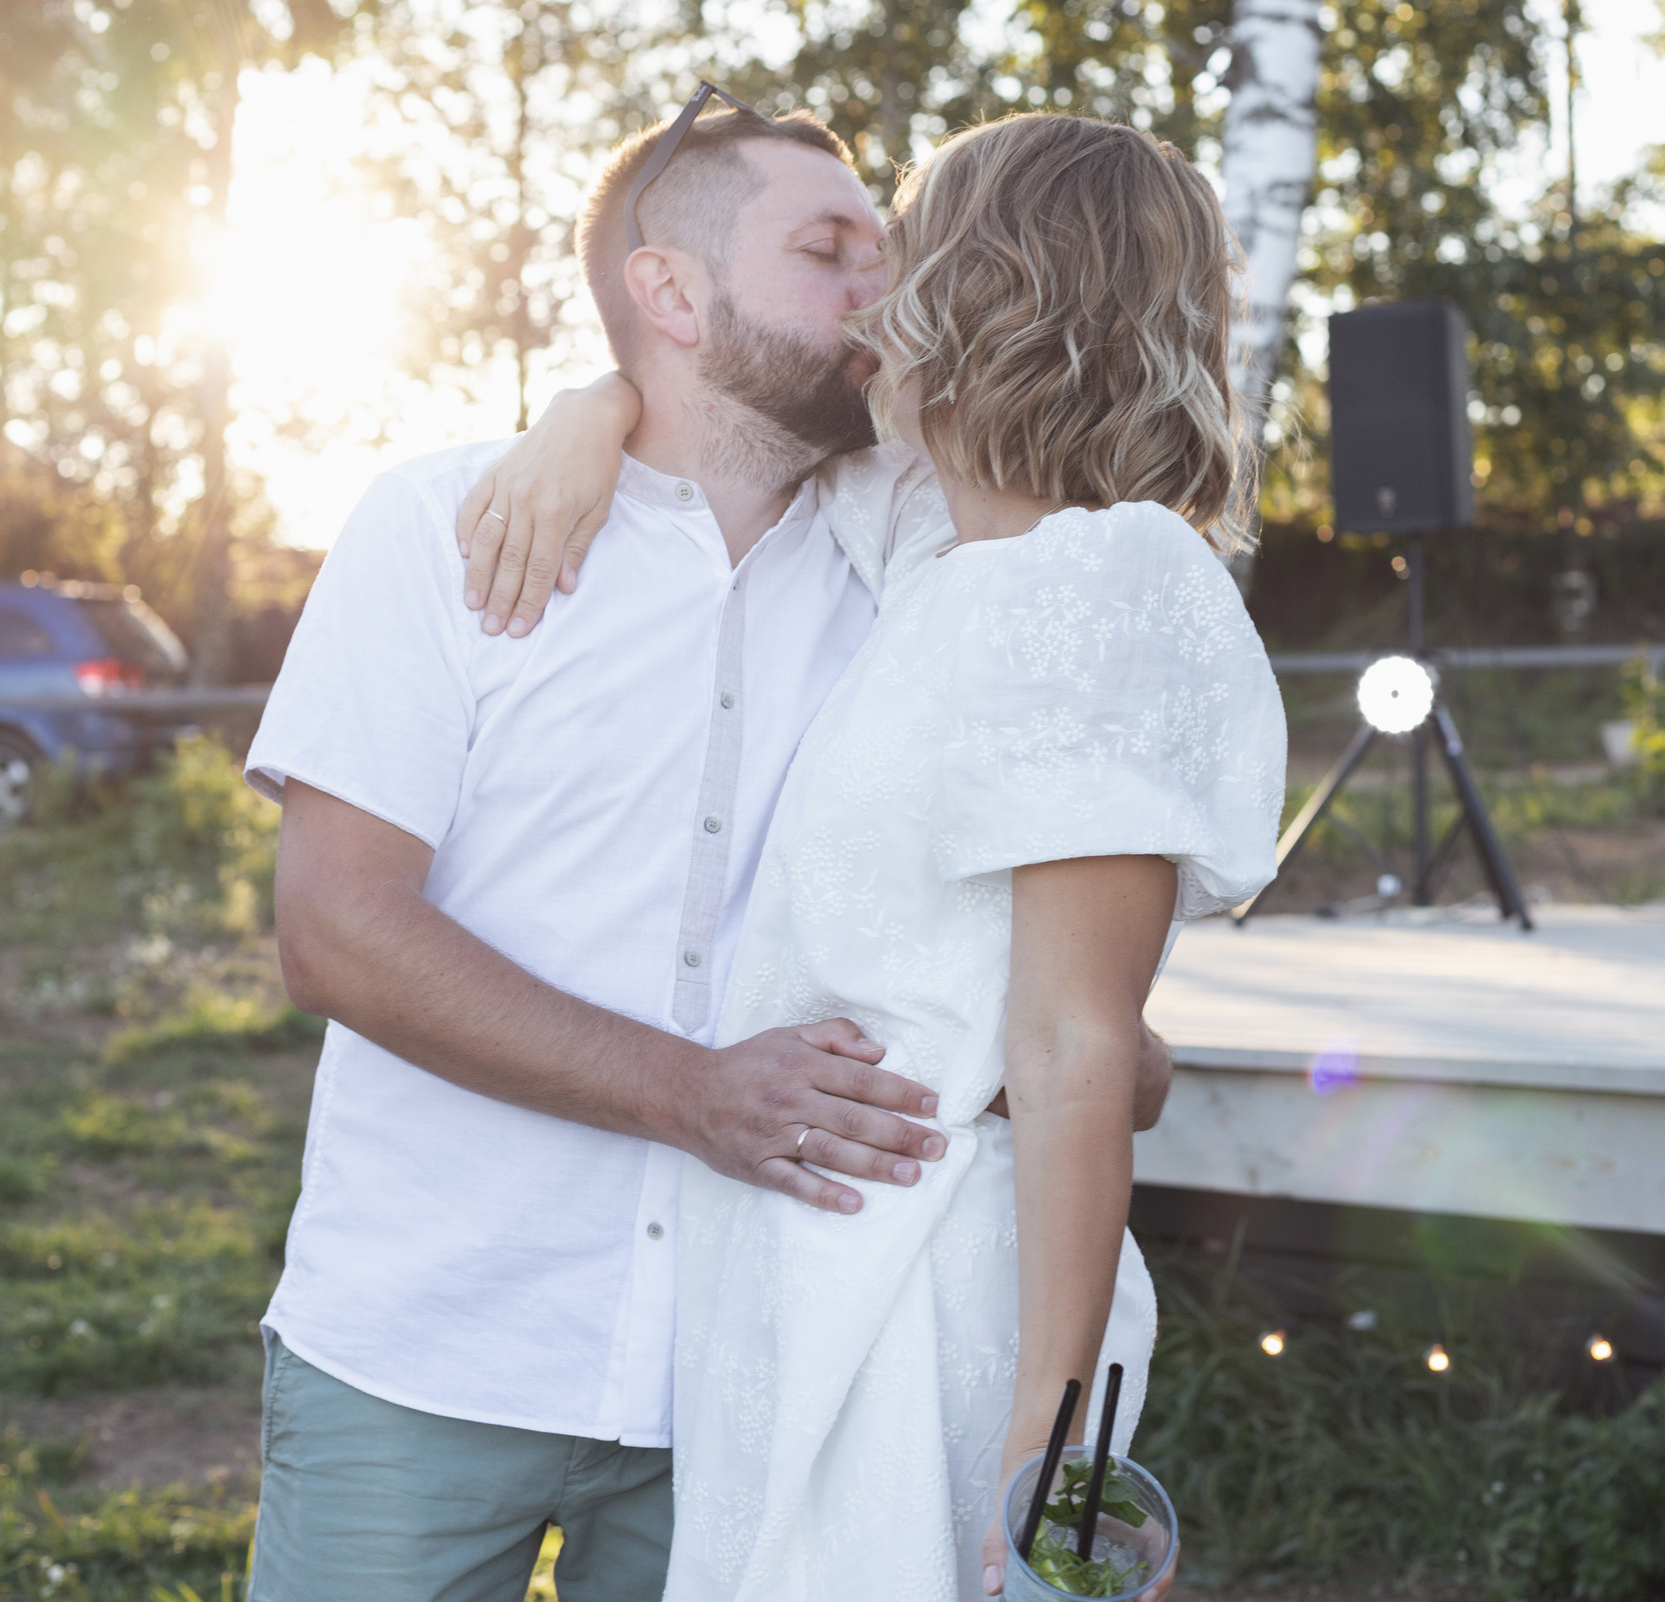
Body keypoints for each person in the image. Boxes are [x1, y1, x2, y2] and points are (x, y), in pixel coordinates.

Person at [242, 96, 1175, 1600]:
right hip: (431, 1346)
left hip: (763, 1374)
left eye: (890, 248)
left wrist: (1065, 1038)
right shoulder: (442, 525)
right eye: (830, 248)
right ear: (670, 291)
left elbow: (1045, 962)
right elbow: (336, 931)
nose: (885, 284)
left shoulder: (927, 563)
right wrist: (693, 1093)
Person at [459, 113, 1285, 1601]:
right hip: (798, 1274)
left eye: (905, 253)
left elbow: (1075, 1042)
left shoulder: (1106, 577)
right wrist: (589, 407)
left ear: (987, 291)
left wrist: (1050, 1447)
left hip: (932, 1296)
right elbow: (734, 419)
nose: (873, 296)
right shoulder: (937, 553)